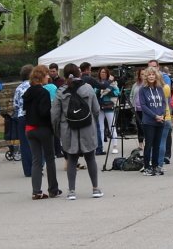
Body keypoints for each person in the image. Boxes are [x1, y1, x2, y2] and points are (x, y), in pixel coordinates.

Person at [56, 71, 104, 199]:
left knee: (71, 159)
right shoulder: (88, 88)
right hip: (87, 127)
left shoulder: (61, 91)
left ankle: (71, 191)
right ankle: (95, 189)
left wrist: (58, 130)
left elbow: (55, 113)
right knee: (90, 158)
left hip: (69, 129)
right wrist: (92, 121)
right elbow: (96, 109)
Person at [21, 65, 59, 199]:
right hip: (43, 128)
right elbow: (44, 112)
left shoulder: (27, 92)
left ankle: (36, 191)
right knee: (50, 158)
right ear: (41, 77)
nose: (48, 77)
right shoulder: (44, 92)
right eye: (47, 75)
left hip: (30, 129)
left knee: (36, 161)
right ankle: (53, 188)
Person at [134, 66, 168, 175]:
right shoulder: (142, 89)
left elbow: (163, 102)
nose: (151, 76)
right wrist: (155, 116)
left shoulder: (159, 88)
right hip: (149, 121)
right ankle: (147, 167)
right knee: (149, 144)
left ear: (156, 76)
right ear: (146, 77)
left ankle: (155, 166)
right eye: (149, 74)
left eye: (153, 74)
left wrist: (162, 115)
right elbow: (143, 106)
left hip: (160, 120)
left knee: (157, 145)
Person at [11, 66, 34, 177]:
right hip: (32, 116)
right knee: (34, 143)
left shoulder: (19, 88)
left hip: (21, 117)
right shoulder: (33, 86)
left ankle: (27, 170)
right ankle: (36, 167)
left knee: (24, 144)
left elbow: (15, 104)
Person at [94, 69, 119, 153]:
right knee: (100, 128)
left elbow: (117, 92)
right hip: (99, 106)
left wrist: (110, 91)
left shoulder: (113, 83)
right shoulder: (97, 82)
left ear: (107, 73)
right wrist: (98, 91)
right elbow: (93, 93)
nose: (103, 74)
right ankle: (101, 147)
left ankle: (115, 146)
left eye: (104, 72)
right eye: (101, 72)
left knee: (112, 126)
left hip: (109, 106)